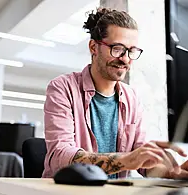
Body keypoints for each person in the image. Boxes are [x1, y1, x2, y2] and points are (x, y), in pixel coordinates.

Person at [42, 8, 188, 179]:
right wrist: (127, 160)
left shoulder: (131, 98)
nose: (125, 59)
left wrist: (173, 172)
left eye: (132, 51)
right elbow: (61, 156)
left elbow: (141, 159)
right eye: (117, 48)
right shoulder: (63, 88)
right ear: (93, 47)